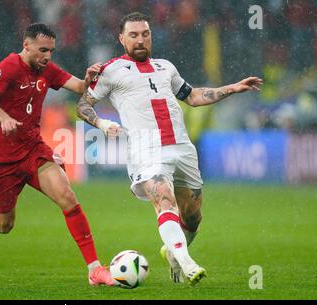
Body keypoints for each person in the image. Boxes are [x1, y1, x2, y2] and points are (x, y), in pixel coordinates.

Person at [77, 12, 263, 285]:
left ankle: (173, 252)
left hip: (181, 145)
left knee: (193, 215)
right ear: (121, 38)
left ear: (151, 35)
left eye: (145, 34)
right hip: (146, 149)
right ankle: (186, 262)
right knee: (163, 195)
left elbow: (194, 96)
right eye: (133, 35)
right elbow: (83, 104)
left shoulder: (166, 67)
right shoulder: (110, 71)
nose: (140, 40)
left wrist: (233, 88)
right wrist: (102, 124)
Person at [0, 23, 113, 286]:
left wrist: (88, 78)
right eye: (43, 50)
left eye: (52, 51)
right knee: (4, 225)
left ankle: (94, 269)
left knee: (67, 196)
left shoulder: (47, 70)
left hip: (33, 149)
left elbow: (79, 87)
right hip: (1, 159)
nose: (48, 56)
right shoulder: (10, 66)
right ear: (26, 45)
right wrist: (4, 118)